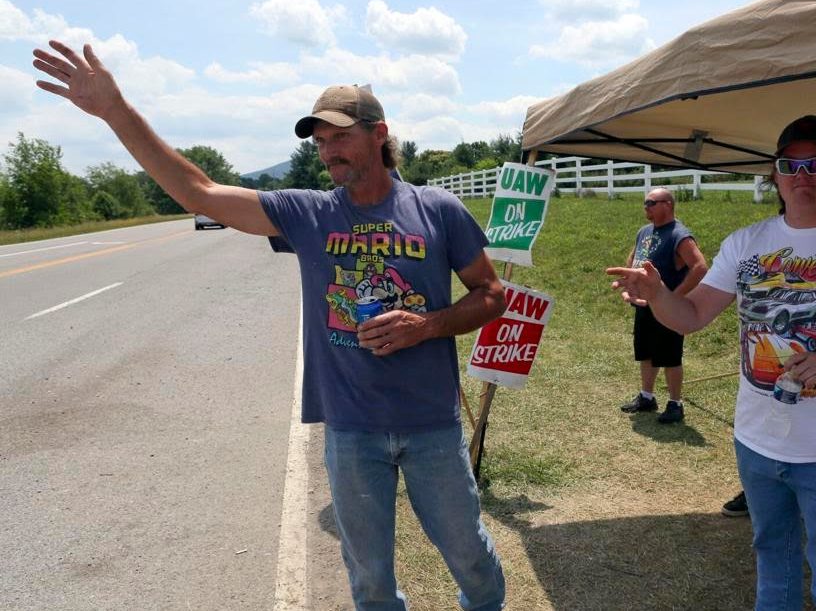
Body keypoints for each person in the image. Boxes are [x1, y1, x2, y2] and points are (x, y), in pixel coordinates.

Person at [32, 40, 506, 611]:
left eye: (341, 137)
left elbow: (491, 294)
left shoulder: (437, 210)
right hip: (352, 429)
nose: (328, 152)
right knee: (371, 579)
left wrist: (427, 325)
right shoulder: (309, 213)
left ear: (380, 134)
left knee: (468, 555)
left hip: (430, 421)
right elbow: (197, 192)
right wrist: (116, 112)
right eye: (320, 141)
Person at [608, 115, 816, 610]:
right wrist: (657, 294)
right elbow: (691, 316)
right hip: (756, 442)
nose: (803, 176)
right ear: (775, 175)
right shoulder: (745, 242)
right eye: (789, 165)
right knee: (772, 568)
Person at [619, 188, 707, 423]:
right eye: (645, 203)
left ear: (667, 204)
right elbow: (635, 255)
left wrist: (675, 297)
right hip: (644, 304)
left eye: (650, 202)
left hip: (668, 309)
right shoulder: (644, 231)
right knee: (646, 351)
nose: (645, 207)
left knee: (669, 356)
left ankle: (675, 404)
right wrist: (630, 281)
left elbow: (699, 267)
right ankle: (647, 397)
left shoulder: (680, 234)